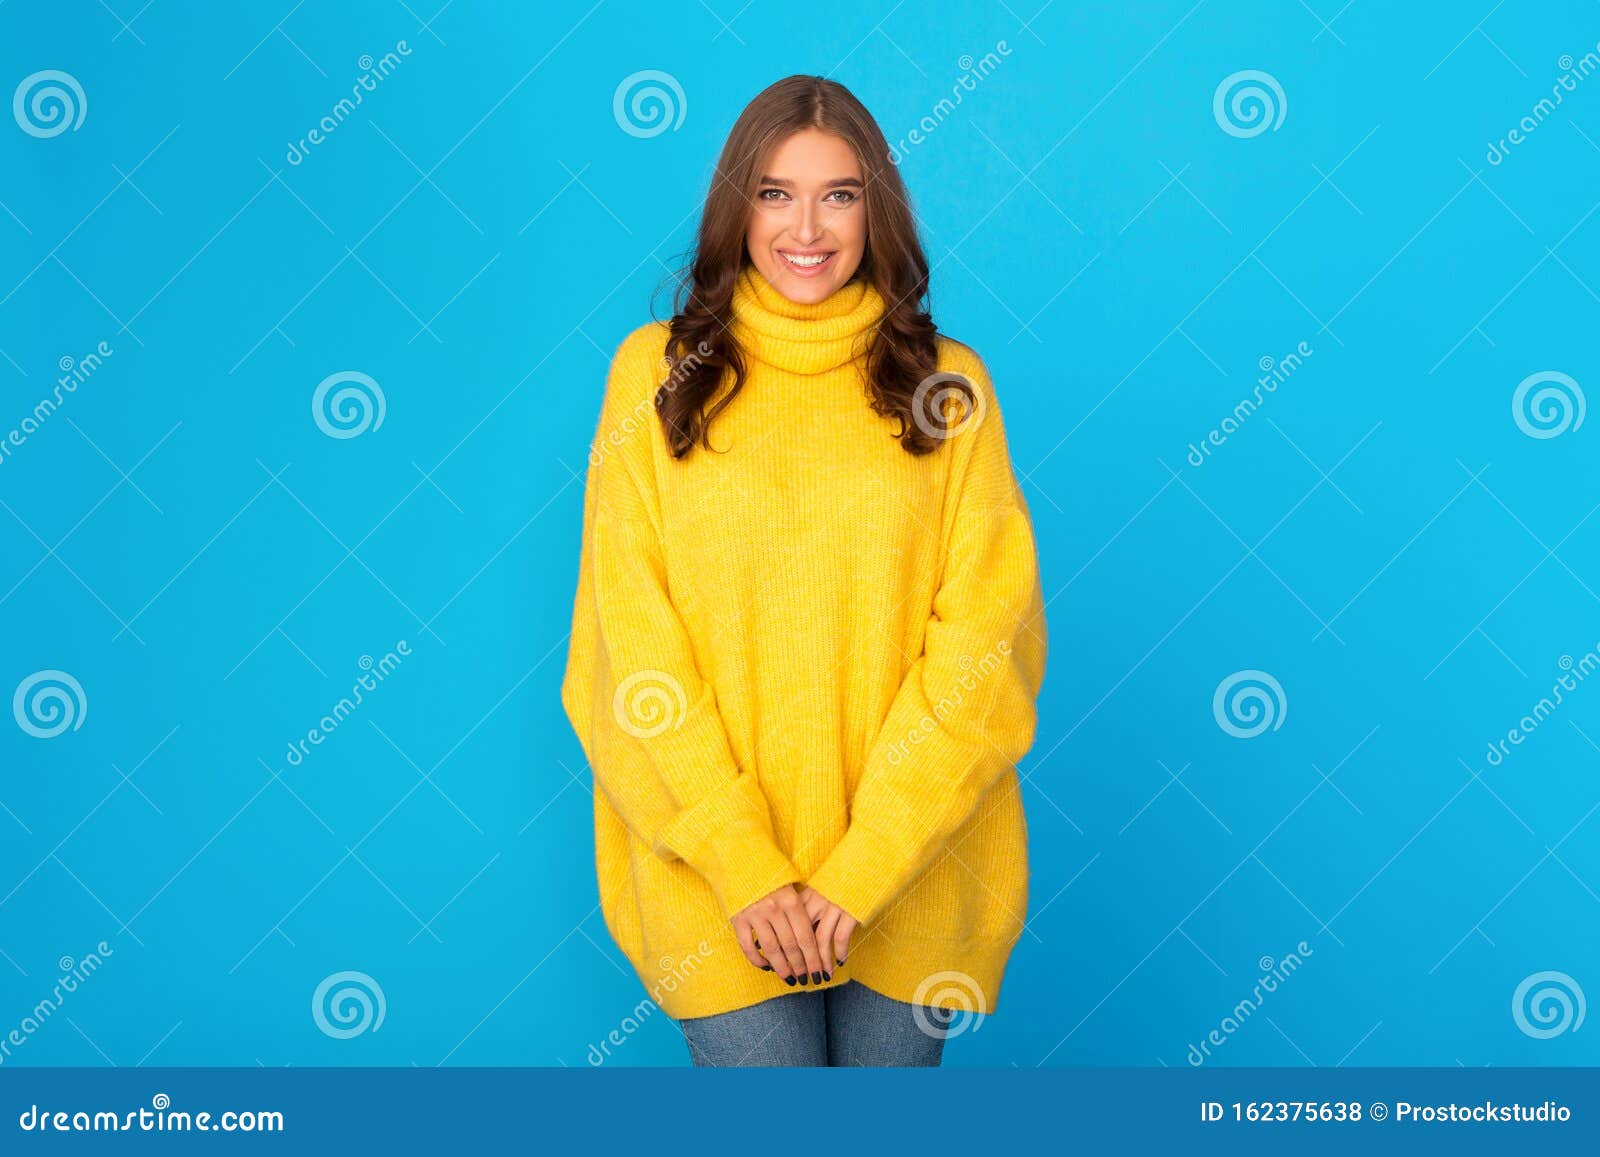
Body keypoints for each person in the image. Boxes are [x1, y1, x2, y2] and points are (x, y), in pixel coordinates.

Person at [560, 74, 1048, 1067]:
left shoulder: (947, 386)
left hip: (910, 874)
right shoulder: (651, 377)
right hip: (715, 882)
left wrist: (863, 868)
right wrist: (744, 865)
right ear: (736, 207)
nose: (807, 228)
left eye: (839, 194)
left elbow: (985, 650)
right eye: (776, 193)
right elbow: (627, 649)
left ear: (879, 209)